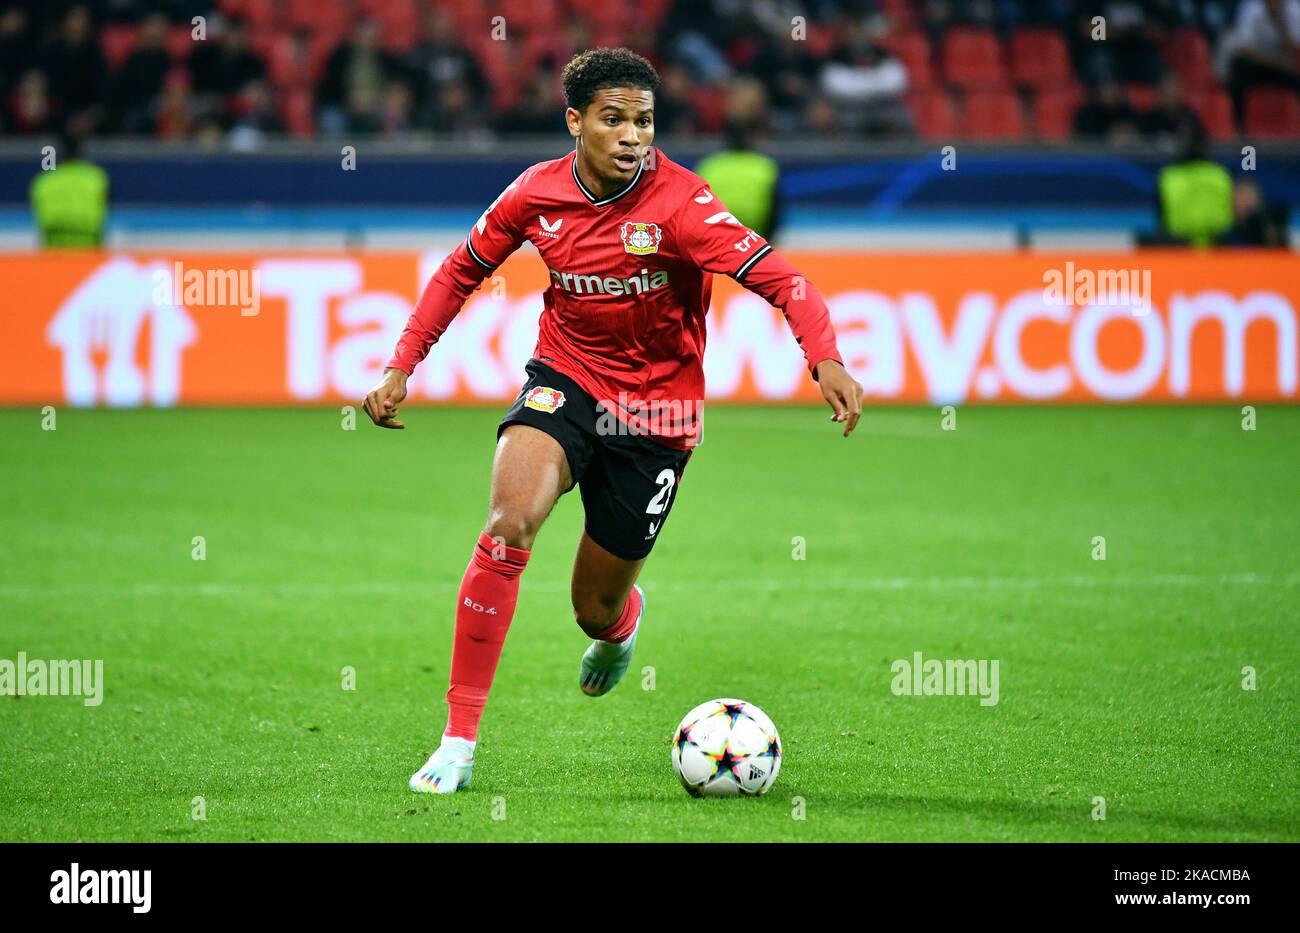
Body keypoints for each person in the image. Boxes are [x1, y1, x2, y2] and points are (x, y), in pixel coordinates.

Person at [361, 47, 863, 795]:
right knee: (509, 522)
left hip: (659, 415)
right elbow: (461, 269)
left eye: (646, 121)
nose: (634, 136)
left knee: (591, 610)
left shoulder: (684, 207)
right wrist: (403, 363)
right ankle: (459, 739)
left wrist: (823, 356)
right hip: (565, 381)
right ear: (576, 122)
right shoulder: (535, 194)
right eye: (615, 119)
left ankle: (621, 626)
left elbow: (785, 280)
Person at [29, 131, 108, 248]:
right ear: (81, 152)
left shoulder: (43, 181)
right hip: (89, 252)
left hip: (54, 253)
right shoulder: (97, 178)